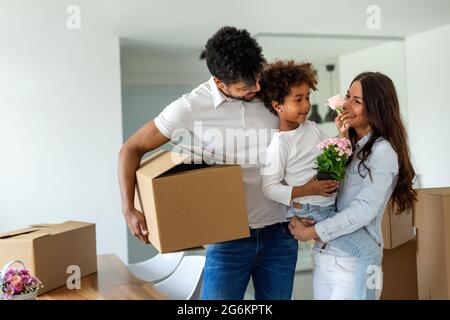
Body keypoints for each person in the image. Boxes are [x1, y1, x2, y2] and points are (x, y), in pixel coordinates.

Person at [117, 26, 337, 300]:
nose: (257, 89)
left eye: (258, 78)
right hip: (227, 241)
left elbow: (300, 147)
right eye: (247, 87)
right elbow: (131, 148)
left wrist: (308, 206)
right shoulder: (189, 108)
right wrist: (128, 209)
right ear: (219, 82)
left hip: (281, 235)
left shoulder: (270, 92)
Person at [288, 72, 417, 300]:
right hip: (324, 258)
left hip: (352, 265)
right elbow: (325, 194)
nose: (345, 104)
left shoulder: (383, 151)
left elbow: (363, 211)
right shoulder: (346, 144)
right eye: (348, 96)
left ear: (377, 109)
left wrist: (314, 231)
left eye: (356, 101)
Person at [260, 61, 383, 300]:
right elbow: (269, 188)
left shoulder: (312, 127)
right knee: (369, 253)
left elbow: (338, 152)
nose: (306, 105)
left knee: (365, 252)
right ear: (278, 105)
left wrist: (341, 133)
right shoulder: (280, 144)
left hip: (327, 208)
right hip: (314, 210)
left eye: (307, 97)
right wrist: (309, 188)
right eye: (298, 99)